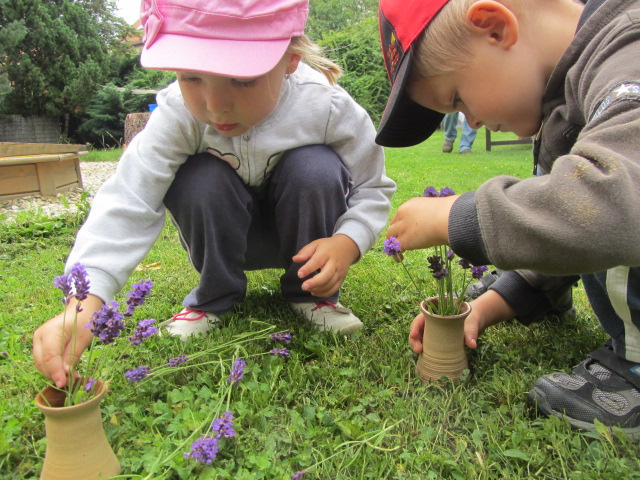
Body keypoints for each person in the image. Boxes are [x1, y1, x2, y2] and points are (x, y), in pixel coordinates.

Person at [33, 0, 395, 388]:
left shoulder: (325, 104)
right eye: (191, 77)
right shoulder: (177, 114)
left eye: (243, 80)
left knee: (316, 166)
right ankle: (214, 297)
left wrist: (347, 241)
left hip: (306, 243)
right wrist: (85, 300)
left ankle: (310, 294)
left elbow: (372, 186)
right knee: (198, 177)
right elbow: (129, 198)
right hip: (223, 236)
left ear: (290, 60)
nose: (215, 105)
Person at [376, 0, 640, 437]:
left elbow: (615, 208)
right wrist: (488, 307)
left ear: (494, 28)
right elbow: (563, 234)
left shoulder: (628, 54)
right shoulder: (564, 104)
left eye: (458, 99)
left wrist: (459, 216)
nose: (472, 120)